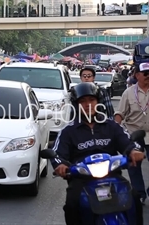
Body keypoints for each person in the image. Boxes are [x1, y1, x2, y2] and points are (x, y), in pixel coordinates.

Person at [52, 82, 145, 225]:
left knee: (134, 198)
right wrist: (61, 166)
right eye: (82, 101)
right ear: (76, 105)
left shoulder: (111, 125)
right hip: (81, 179)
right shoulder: (68, 131)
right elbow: (58, 154)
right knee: (71, 205)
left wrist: (134, 151)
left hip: (112, 175)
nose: (87, 104)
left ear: (98, 102)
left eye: (91, 100)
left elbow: (127, 142)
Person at [115, 62, 149, 204]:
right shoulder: (128, 93)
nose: (148, 76)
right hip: (134, 133)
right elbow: (119, 113)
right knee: (134, 165)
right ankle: (139, 193)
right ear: (137, 75)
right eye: (145, 74)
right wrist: (115, 129)